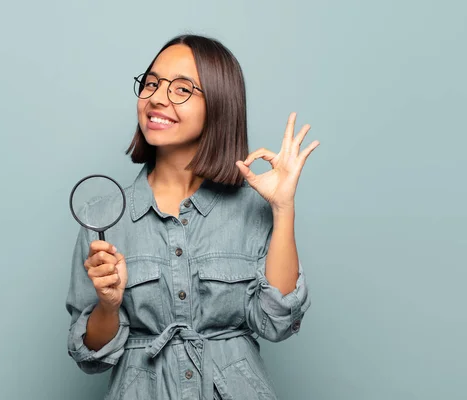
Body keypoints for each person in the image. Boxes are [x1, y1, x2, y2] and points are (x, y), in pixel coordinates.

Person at [65, 34, 319, 400]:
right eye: (151, 83)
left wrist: (282, 208)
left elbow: (277, 321)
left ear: (218, 104)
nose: (156, 97)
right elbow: (91, 356)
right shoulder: (101, 218)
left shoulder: (251, 207)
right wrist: (109, 304)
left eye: (181, 89)